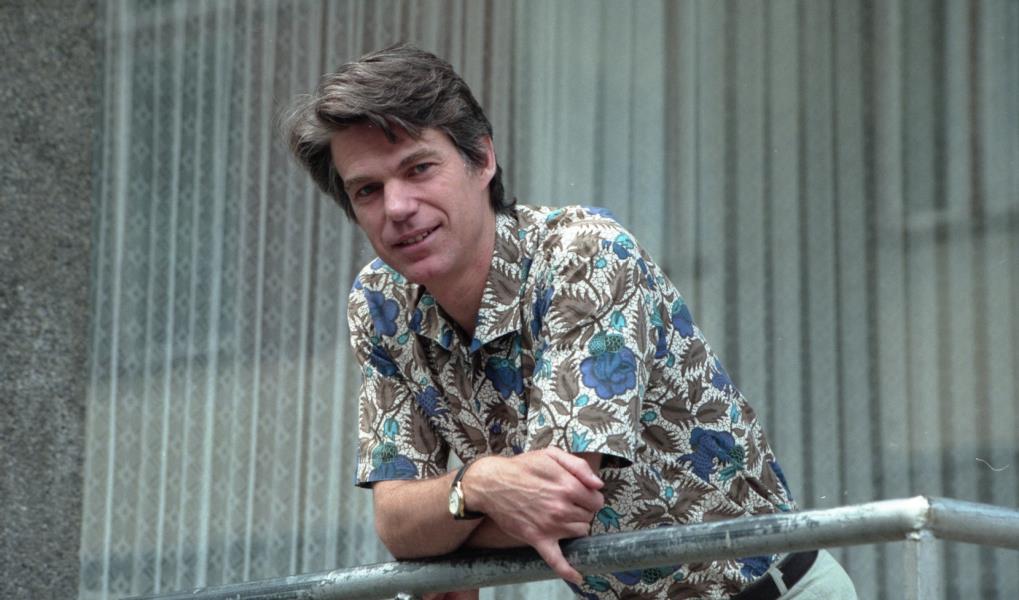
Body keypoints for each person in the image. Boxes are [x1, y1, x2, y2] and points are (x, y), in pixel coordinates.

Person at [283, 44, 857, 600]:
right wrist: (478, 484)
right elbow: (395, 524)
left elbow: (558, 503)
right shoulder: (381, 302)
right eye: (368, 190)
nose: (397, 206)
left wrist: (445, 532)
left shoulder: (584, 255)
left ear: (482, 159)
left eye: (419, 168)